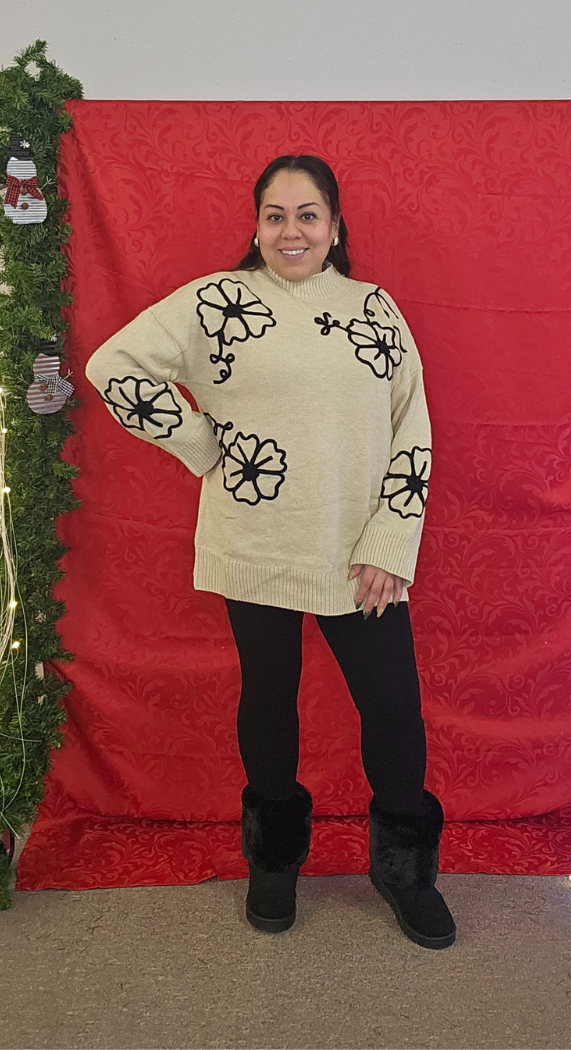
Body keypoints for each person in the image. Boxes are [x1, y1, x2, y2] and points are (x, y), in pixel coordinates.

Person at [85, 154, 456, 951]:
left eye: (309, 214)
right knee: (269, 700)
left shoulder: (374, 308)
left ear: (334, 227)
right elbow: (111, 365)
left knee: (392, 708)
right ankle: (276, 860)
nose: (293, 230)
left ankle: (404, 870)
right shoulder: (217, 303)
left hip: (360, 551)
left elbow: (412, 425)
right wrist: (199, 441)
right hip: (256, 540)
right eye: (277, 215)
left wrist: (393, 536)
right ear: (256, 225)